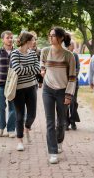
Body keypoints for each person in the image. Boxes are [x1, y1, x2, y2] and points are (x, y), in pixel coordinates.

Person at [40, 27, 76, 164]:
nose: (51, 38)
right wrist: (42, 70)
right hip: (47, 90)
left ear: (61, 38)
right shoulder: (45, 51)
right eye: (49, 35)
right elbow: (42, 64)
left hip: (63, 91)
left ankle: (59, 140)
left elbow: (72, 77)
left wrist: (69, 95)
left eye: (53, 36)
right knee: (50, 122)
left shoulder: (69, 55)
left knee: (61, 122)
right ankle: (53, 152)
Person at [10, 31, 40, 151]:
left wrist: (26, 69)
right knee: (20, 115)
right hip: (18, 89)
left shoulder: (33, 54)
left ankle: (27, 128)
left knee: (32, 114)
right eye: (33, 40)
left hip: (32, 86)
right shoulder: (15, 54)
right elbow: (17, 69)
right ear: (27, 41)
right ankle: (20, 140)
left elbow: (37, 68)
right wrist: (30, 69)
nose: (34, 42)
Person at [0, 31, 17, 138]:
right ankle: (1, 127)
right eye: (8, 37)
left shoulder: (17, 52)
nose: (10, 39)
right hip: (0, 83)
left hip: (13, 85)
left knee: (13, 107)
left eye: (11, 37)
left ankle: (11, 129)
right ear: (3, 39)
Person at [65, 34, 80, 131]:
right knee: (65, 103)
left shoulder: (75, 55)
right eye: (72, 45)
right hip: (64, 83)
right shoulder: (64, 54)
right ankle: (65, 122)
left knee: (73, 102)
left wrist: (72, 78)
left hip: (74, 83)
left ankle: (73, 121)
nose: (73, 47)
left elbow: (77, 68)